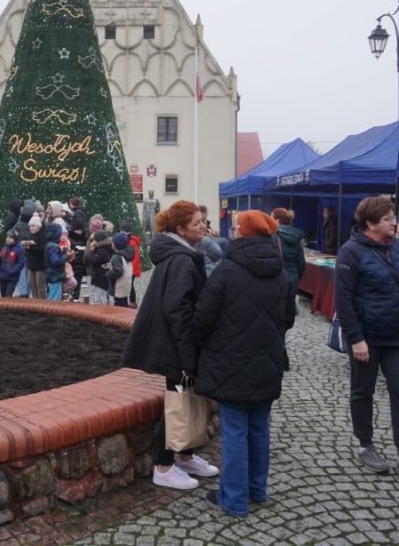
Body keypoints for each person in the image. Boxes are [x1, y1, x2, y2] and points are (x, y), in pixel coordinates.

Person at [192, 210, 296, 517]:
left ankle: (234, 499)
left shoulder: (227, 271)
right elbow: (287, 320)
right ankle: (256, 489)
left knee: (235, 430)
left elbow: (202, 319)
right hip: (267, 361)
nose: (234, 232)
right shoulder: (281, 274)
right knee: (259, 429)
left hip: (230, 363)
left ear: (243, 233)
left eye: (237, 228)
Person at [121, 200, 218, 490]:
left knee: (185, 401)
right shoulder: (182, 260)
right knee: (176, 403)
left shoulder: (181, 254)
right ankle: (164, 467)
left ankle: (185, 455)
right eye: (197, 222)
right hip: (176, 347)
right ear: (180, 228)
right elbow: (177, 311)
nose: (203, 225)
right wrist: (188, 357)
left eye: (202, 220)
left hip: (177, 344)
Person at [335, 197, 399, 482]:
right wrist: (356, 338)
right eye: (387, 218)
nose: (394, 222)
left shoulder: (397, 247)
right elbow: (344, 300)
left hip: (398, 336)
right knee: (363, 392)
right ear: (371, 223)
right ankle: (365, 445)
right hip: (367, 338)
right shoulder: (350, 252)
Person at [272, 207, 306, 287]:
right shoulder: (296, 238)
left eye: (271, 218)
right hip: (293, 280)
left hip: (277, 280)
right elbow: (301, 265)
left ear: (277, 221)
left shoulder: (273, 237)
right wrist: (295, 278)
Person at [22, 213, 47, 299]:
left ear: (39, 226)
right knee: (31, 284)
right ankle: (34, 302)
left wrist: (30, 248)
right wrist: (27, 247)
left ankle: (42, 303)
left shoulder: (42, 235)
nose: (31, 227)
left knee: (40, 285)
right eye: (30, 226)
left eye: (34, 225)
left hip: (40, 264)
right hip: (31, 263)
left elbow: (42, 249)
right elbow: (29, 250)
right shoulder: (30, 235)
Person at [106, 231, 134, 307]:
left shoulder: (116, 257)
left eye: (113, 242)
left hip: (117, 289)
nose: (111, 244)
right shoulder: (126, 254)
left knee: (117, 310)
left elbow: (118, 270)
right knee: (124, 307)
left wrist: (108, 274)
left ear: (116, 244)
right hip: (125, 288)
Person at [44, 223, 71, 300]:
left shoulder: (49, 244)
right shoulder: (54, 246)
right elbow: (56, 261)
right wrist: (67, 255)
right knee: (54, 298)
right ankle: (51, 312)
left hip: (51, 274)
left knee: (52, 294)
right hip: (55, 275)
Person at [87, 229, 113, 305]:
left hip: (100, 278)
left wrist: (92, 250)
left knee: (99, 299)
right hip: (106, 276)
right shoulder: (109, 246)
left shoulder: (101, 251)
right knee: (105, 296)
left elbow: (93, 261)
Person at [120, 220, 142, 307]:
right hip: (131, 268)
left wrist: (130, 270)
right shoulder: (131, 240)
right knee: (129, 285)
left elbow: (134, 258)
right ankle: (131, 302)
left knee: (130, 285)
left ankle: (132, 302)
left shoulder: (131, 242)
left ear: (124, 230)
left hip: (130, 268)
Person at [0, 233, 25, 297]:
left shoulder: (19, 249)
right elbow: (0, 260)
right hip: (3, 276)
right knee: (3, 296)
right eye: (7, 237)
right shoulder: (4, 248)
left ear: (15, 239)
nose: (8, 239)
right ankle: (3, 307)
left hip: (12, 277)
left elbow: (21, 263)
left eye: (10, 238)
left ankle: (8, 307)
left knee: (8, 295)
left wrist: (12, 271)